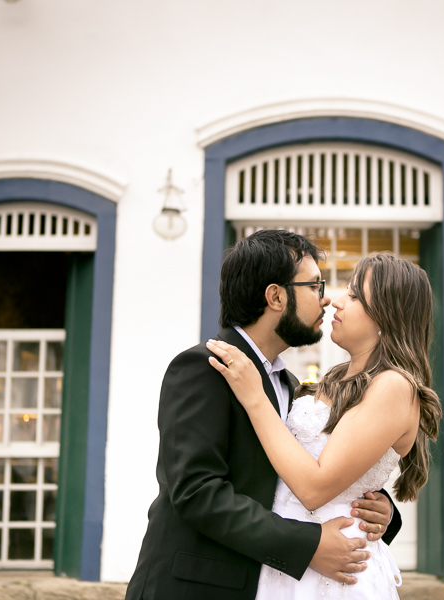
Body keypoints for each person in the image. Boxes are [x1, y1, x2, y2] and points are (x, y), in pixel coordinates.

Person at [125, 230, 402, 600]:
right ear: (276, 297)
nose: (325, 299)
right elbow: (196, 492)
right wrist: (308, 545)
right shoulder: (204, 367)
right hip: (195, 588)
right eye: (314, 286)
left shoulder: (288, 384)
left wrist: (381, 511)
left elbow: (302, 468)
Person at [206, 253, 442, 599]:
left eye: (355, 295)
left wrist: (254, 396)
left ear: (387, 315)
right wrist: (382, 505)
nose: (337, 301)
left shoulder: (394, 385)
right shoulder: (334, 380)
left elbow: (315, 488)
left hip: (335, 572)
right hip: (287, 556)